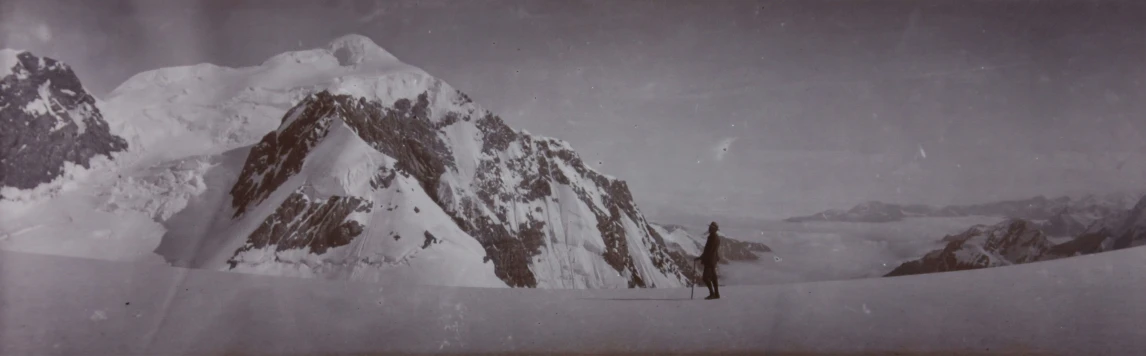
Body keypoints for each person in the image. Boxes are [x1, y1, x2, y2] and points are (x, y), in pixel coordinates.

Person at [694, 221, 721, 300]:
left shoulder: (712, 238)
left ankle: (712, 294)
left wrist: (701, 257)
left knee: (705, 278)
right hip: (713, 260)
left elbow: (708, 250)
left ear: (714, 229)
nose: (709, 229)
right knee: (713, 277)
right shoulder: (716, 237)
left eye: (711, 228)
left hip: (709, 260)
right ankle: (716, 294)